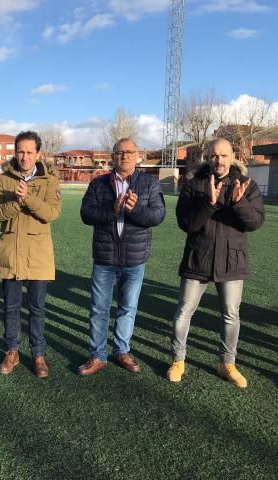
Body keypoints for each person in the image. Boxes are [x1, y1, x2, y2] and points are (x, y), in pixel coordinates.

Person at [167, 138, 264, 388]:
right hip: (198, 258)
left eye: (223, 155)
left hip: (232, 261)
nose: (218, 160)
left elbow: (254, 223)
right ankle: (178, 360)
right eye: (213, 155)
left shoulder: (247, 185)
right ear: (207, 157)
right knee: (184, 311)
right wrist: (208, 204)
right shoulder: (193, 185)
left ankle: (227, 363)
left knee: (231, 315)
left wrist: (239, 203)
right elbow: (186, 224)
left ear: (232, 157)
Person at [77, 138, 166, 375]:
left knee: (128, 308)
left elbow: (158, 216)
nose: (124, 156)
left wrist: (135, 210)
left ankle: (121, 350)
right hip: (104, 258)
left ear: (138, 156)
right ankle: (97, 355)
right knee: (99, 308)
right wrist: (112, 211)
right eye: (120, 152)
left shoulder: (149, 183)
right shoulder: (98, 184)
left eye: (129, 152)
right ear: (113, 156)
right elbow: (86, 213)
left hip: (135, 259)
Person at [0, 130, 61, 378]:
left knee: (37, 308)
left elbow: (51, 214)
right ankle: (12, 351)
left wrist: (27, 198)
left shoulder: (49, 180)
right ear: (15, 152)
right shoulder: (4, 179)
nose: (25, 156)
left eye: (30, 152)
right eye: (21, 151)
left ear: (38, 153)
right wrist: (16, 203)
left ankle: (38, 354)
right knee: (11, 307)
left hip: (38, 256)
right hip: (11, 253)